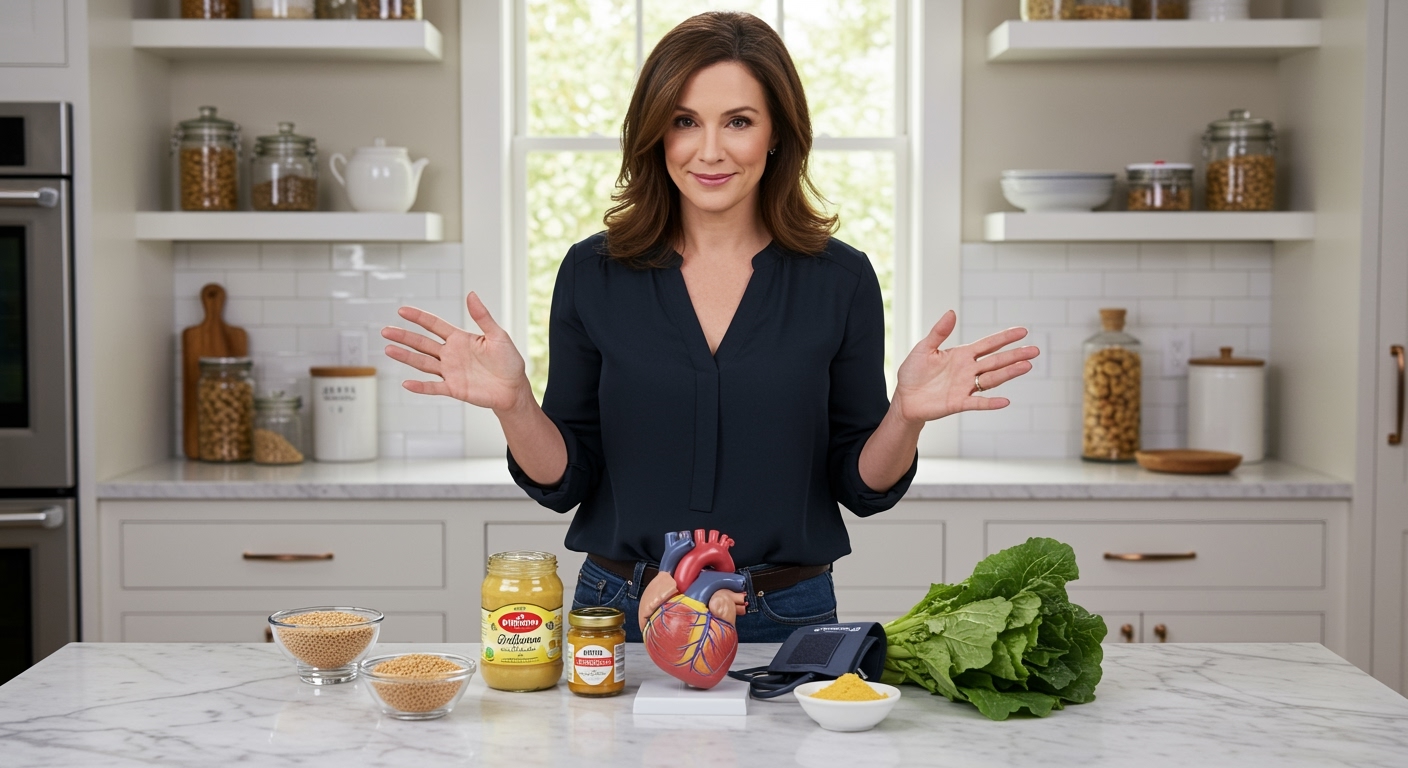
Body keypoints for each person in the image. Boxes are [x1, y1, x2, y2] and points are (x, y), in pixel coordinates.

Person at [382, 12, 1038, 643]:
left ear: (777, 133)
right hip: (619, 611)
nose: (711, 150)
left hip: (786, 615)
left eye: (739, 122)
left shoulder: (840, 281)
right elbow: (566, 482)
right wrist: (515, 404)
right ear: (655, 133)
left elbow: (859, 488)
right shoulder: (592, 272)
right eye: (685, 121)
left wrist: (907, 415)